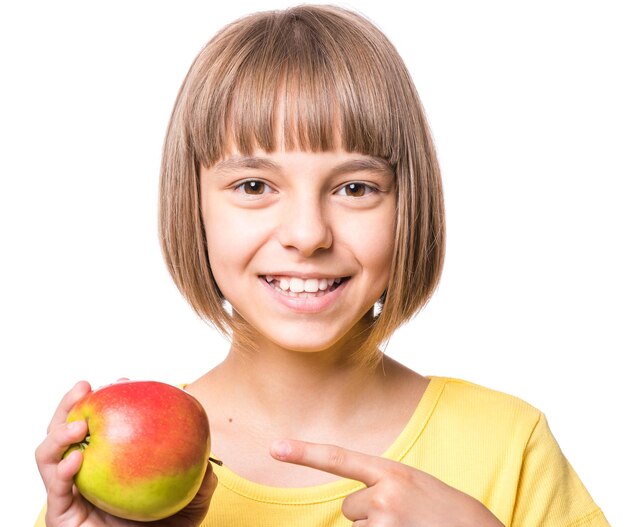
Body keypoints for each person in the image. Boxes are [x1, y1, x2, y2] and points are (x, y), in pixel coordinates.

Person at [34, 5, 610, 526]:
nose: (308, 235)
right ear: (194, 206)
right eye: (254, 185)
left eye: (355, 188)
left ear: (409, 204)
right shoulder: (104, 496)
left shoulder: (510, 445)